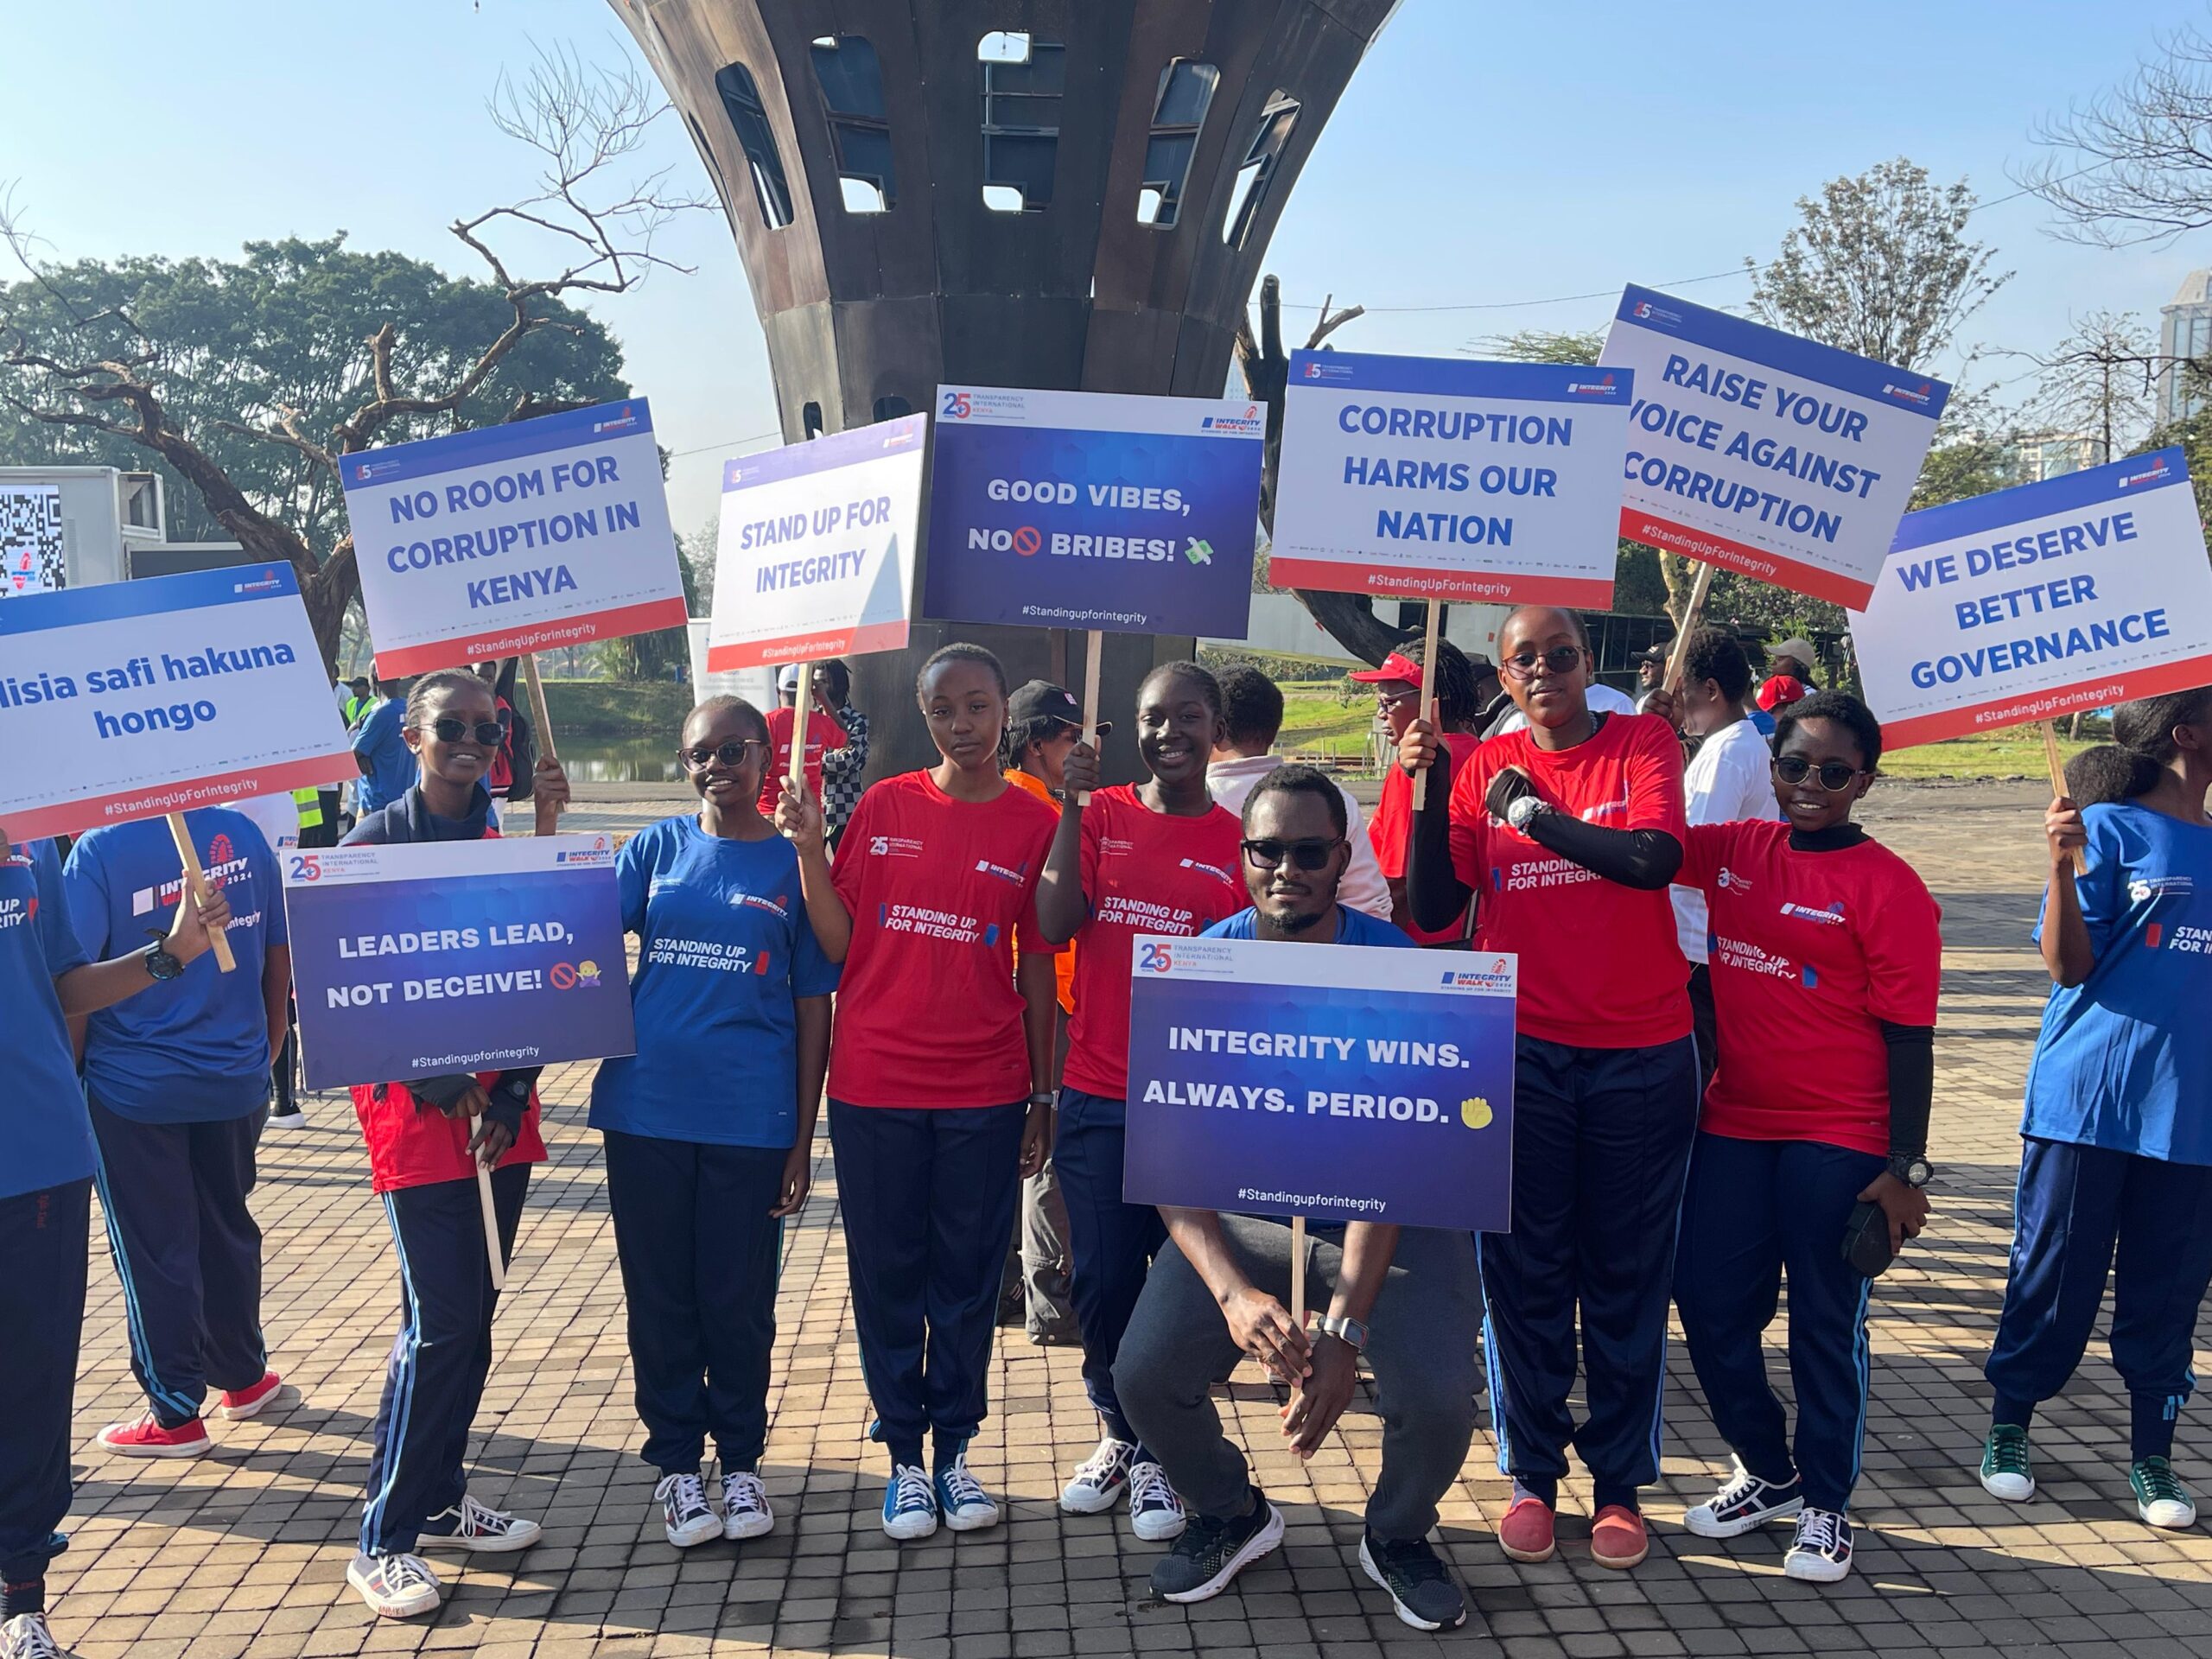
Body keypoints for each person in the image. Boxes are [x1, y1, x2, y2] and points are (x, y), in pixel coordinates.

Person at [1110, 765, 1478, 1631]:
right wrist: (1233, 1295)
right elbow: (1172, 1155)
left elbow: (1398, 1166)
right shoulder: (1203, 965)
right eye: (1266, 850)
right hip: (1244, 1217)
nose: (1287, 868)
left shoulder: (1396, 968)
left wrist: (1343, 1330)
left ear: (1341, 857)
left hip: (1393, 1221)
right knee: (1144, 1373)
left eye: (1309, 851)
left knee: (1436, 1398)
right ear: (1242, 857)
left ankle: (1394, 1533)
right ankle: (1231, 1514)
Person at [1402, 604, 1697, 1572]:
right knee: (1522, 1277)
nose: (1543, 672)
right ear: (1503, 674)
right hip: (1519, 1053)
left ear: (1585, 664)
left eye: (1560, 656)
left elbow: (1651, 863)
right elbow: (1439, 913)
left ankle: (1617, 1485)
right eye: (1523, 659)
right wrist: (1425, 791)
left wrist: (1531, 815)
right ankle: (1530, 1470)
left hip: (1640, 1056)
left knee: (1622, 1277)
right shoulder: (1479, 768)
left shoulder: (1641, 743)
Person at [777, 643, 1059, 1541]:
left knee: (968, 1276)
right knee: (888, 1272)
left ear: (1001, 713)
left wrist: (1042, 1095)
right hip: (874, 1083)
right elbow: (837, 940)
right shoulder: (889, 804)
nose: (963, 726)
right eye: (945, 711)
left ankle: (957, 1450)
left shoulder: (1031, 822)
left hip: (983, 1086)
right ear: (926, 714)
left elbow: (1041, 968)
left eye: (979, 708)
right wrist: (812, 852)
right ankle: (903, 1453)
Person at [1668, 691, 1941, 1582]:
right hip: (1737, 1120)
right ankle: (1769, 1471)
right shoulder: (1739, 850)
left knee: (1824, 1325)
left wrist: (1906, 1168)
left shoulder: (1889, 887)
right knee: (1708, 1307)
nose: (1810, 785)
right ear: (1768, 764)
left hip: (1843, 1136)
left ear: (1864, 780)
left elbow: (1910, 1038)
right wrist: (1653, 744)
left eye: (1834, 772)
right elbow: (1645, 848)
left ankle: (1825, 1504)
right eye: (1793, 766)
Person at [339, 669, 570, 1619]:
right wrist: (441, 1079)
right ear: (410, 734)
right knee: (437, 1327)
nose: (472, 740)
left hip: (496, 1124)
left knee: (471, 1320)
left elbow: (533, 978)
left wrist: (511, 1091)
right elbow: (342, 995)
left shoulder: (493, 840)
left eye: (488, 726)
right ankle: (381, 1539)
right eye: (452, 727)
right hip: (416, 1125)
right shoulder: (366, 847)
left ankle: (437, 1495)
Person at [590, 696, 836, 1548]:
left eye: (733, 749)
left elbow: (815, 1007)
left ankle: (738, 1463)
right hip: (645, 1111)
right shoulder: (656, 849)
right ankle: (673, 1470)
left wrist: (803, 1140)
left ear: (767, 756)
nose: (715, 765)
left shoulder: (793, 863)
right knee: (660, 1300)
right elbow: (575, 930)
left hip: (750, 1120)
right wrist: (549, 819)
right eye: (699, 753)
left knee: (736, 1304)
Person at [1980, 685, 2212, 1530]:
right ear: (2188, 733)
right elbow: (2067, 967)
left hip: (2191, 1116)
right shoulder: (2107, 829)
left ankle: (2152, 1458)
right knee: (2053, 1277)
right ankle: (2008, 1428)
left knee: (2169, 1292)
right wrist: (2058, 866)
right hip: (2088, 1102)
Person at [1, 832, 229, 1659]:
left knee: (30, 1388)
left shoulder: (29, 852)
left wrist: (171, 953)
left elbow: (66, 982)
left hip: (39, 1155)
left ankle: (22, 1603)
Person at [1035, 662, 1245, 1542]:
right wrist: (1073, 809)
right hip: (1099, 1096)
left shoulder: (1243, 840)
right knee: (1105, 1282)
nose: (1169, 735)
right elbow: (1051, 925)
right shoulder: (1104, 815)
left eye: (1187, 718)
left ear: (1214, 727)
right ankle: (1123, 1437)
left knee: (1190, 1292)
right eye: (1153, 720)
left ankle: (1165, 1444)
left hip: (1196, 1110)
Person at [62, 808, 291, 1458]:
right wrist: (267, 1053)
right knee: (227, 1228)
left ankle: (174, 1411)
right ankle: (243, 1376)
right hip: (234, 1077)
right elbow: (280, 957)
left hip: (133, 1090)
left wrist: (72, 1077)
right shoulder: (244, 832)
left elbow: (74, 988)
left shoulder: (99, 848)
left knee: (155, 1249)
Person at [1000, 679, 1094, 1346]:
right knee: (1049, 1156)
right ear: (1039, 744)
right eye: (1070, 738)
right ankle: (1052, 1306)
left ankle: (1014, 1287)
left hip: (1008, 1003)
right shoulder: (1044, 815)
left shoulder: (1000, 800)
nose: (1083, 750)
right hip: (1049, 1005)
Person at [1665, 628, 1782, 1090]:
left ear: (1710, 690)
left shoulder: (1729, 751)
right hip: (1707, 938)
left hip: (1698, 944)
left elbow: (1695, 849)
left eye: (1682, 693)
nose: (1676, 705)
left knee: (1697, 1070)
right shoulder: (1733, 743)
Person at [1205, 664, 1391, 919]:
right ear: (1274, 726)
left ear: (1215, 728)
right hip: (1319, 954)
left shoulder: (1191, 802)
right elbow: (1368, 904)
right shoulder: (1332, 800)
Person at [1353, 644, 1481, 944]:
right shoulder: (1484, 755)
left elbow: (1398, 885)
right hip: (1472, 939)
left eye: (1389, 703)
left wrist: (1373, 949)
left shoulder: (1416, 769)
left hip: (1415, 944)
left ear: (1430, 705)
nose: (1381, 714)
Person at [760, 662, 849, 820]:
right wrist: (823, 697)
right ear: (808, 691)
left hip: (770, 811)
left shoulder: (767, 722)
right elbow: (844, 738)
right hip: (810, 814)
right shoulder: (823, 723)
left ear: (778, 690)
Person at [817, 658, 871, 850]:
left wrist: (814, 758)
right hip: (814, 811)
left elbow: (847, 761)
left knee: (844, 873)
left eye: (824, 682)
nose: (818, 689)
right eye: (816, 684)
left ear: (839, 684)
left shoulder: (857, 721)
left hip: (845, 813)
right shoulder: (811, 719)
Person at [351, 677, 416, 816]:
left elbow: (350, 759)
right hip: (408, 800)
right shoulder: (411, 709)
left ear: (373, 679)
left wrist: (361, 757)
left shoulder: (380, 714)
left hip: (377, 804)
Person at [1756, 638, 1816, 715]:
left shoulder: (1809, 695)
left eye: (1780, 659)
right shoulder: (1767, 688)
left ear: (1798, 664)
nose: (1773, 663)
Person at [1633, 644, 1669, 713]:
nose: (1642, 671)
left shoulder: (1683, 702)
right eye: (1642, 665)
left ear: (1667, 666)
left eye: (1649, 665)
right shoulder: (1643, 701)